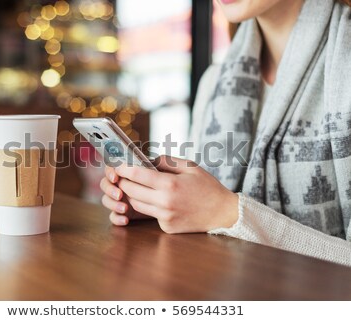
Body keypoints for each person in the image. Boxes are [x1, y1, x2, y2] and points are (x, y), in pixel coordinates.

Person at [100, 0, 351, 267]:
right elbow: (207, 214)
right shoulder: (215, 84)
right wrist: (166, 205)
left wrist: (227, 214)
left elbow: (220, 212)